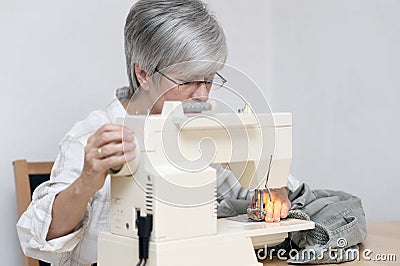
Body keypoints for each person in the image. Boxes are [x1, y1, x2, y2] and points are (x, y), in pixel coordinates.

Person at [16, 0, 301, 265]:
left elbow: (261, 185)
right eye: (188, 80)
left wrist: (274, 193)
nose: (202, 95)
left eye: (210, 79)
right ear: (144, 74)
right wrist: (86, 182)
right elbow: (38, 240)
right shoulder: (91, 138)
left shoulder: (200, 129)